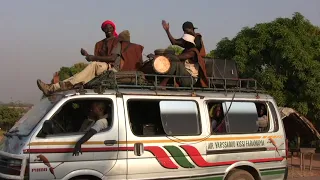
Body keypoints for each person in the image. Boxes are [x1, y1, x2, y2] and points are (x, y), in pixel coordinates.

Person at [37, 29, 143, 96]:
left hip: (115, 72)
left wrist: (93, 58)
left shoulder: (119, 44)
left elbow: (113, 58)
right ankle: (54, 87)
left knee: (93, 66)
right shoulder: (138, 48)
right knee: (81, 76)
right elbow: (140, 65)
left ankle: (59, 86)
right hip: (132, 76)